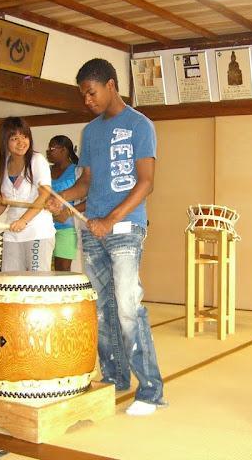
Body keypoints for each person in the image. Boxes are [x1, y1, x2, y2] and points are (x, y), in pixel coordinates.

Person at [47, 58, 165, 416]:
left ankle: (150, 390)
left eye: (91, 93)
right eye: (83, 95)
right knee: (102, 309)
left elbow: (146, 183)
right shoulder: (90, 132)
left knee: (129, 306)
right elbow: (86, 183)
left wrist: (111, 219)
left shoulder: (140, 125)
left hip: (126, 229)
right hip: (93, 228)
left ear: (111, 85)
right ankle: (115, 377)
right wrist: (65, 202)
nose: (88, 100)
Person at [0, 116, 55, 272]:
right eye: (15, 138)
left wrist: (23, 221)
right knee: (11, 284)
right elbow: (2, 202)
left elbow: (44, 195)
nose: (21, 142)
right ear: (5, 141)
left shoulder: (37, 160)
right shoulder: (2, 166)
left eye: (25, 136)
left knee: (37, 286)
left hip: (37, 232)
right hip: (12, 234)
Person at [46, 134, 86, 272]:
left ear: (64, 150)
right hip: (44, 227)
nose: (48, 152)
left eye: (52, 148)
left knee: (62, 270)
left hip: (67, 227)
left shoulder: (77, 171)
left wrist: (68, 212)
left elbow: (90, 199)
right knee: (41, 269)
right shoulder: (46, 170)